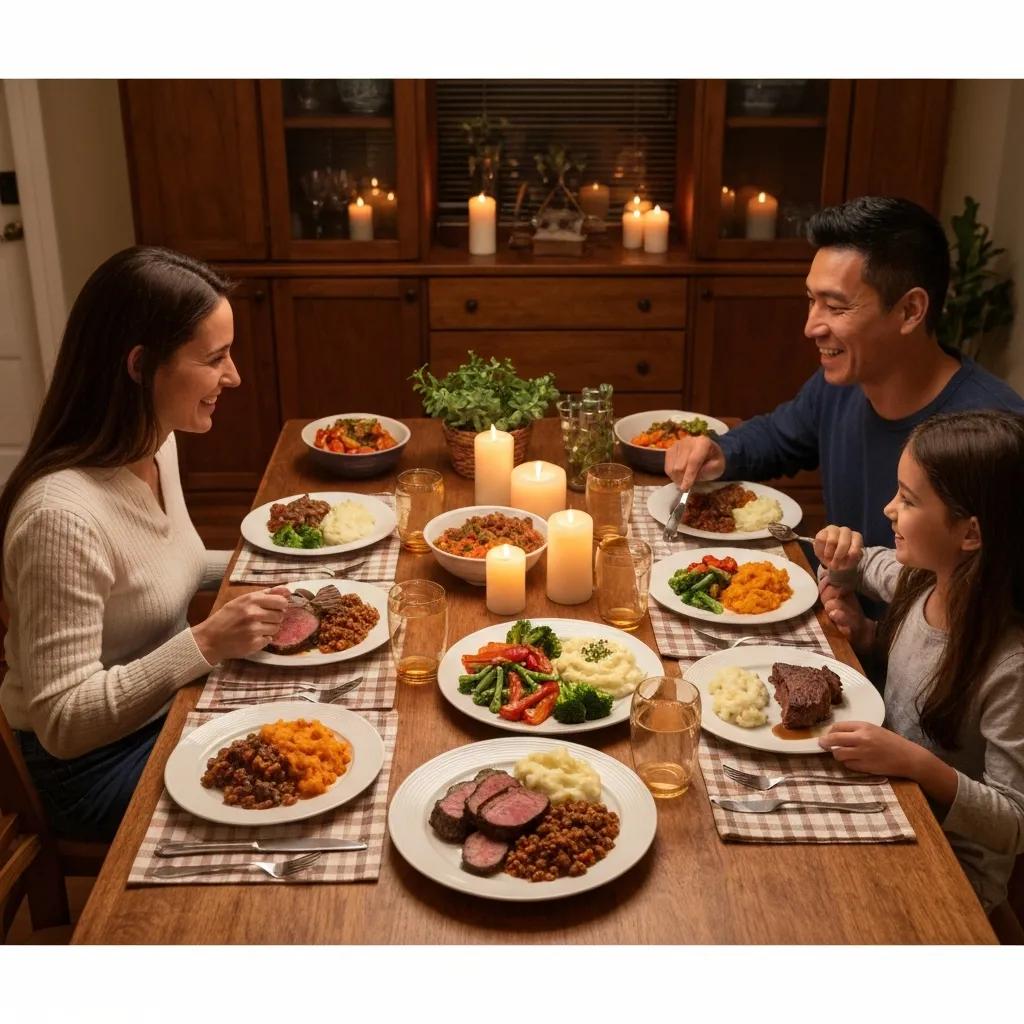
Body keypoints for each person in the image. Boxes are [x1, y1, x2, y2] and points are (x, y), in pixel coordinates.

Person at [0, 246, 291, 841]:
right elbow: (62, 722)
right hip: (89, 766)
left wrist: (275, 564)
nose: (233, 377)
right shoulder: (61, 519)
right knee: (284, 811)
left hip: (167, 710)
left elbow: (163, 568)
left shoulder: (155, 443)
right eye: (215, 359)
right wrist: (206, 641)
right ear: (140, 365)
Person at [665, 196, 1024, 548]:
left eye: (835, 307)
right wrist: (720, 452)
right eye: (811, 300)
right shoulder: (842, 382)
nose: (811, 327)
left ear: (910, 310)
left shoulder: (996, 434)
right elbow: (779, 435)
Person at [812, 409, 1024, 914]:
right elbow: (857, 562)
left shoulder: (1010, 666)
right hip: (886, 799)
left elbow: (1014, 822)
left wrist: (917, 765)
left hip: (952, 873)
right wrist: (844, 578)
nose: (888, 510)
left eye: (907, 500)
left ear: (969, 534)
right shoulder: (920, 581)